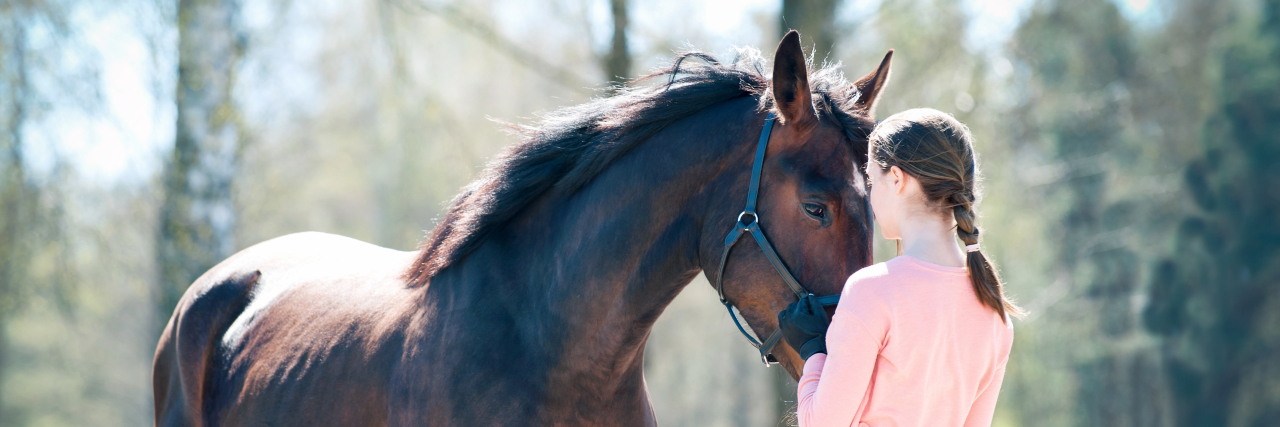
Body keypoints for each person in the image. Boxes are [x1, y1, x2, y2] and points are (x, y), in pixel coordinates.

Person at [778, 108, 1022, 427]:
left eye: (871, 179)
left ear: (896, 179)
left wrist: (812, 352)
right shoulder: (995, 315)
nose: (868, 195)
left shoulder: (871, 291)